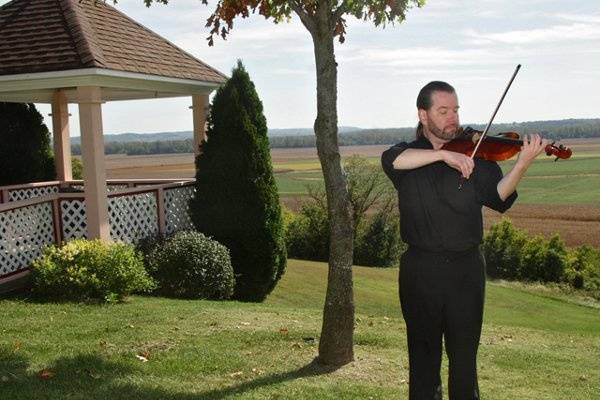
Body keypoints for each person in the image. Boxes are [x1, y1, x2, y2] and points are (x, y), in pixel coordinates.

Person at [381, 81, 547, 400]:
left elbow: (498, 197)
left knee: (464, 363)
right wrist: (443, 155)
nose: (452, 118)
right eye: (443, 111)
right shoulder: (408, 156)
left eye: (455, 110)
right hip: (420, 272)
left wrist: (523, 163)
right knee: (423, 361)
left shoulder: (476, 152)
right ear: (423, 114)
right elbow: (392, 160)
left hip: (466, 272)